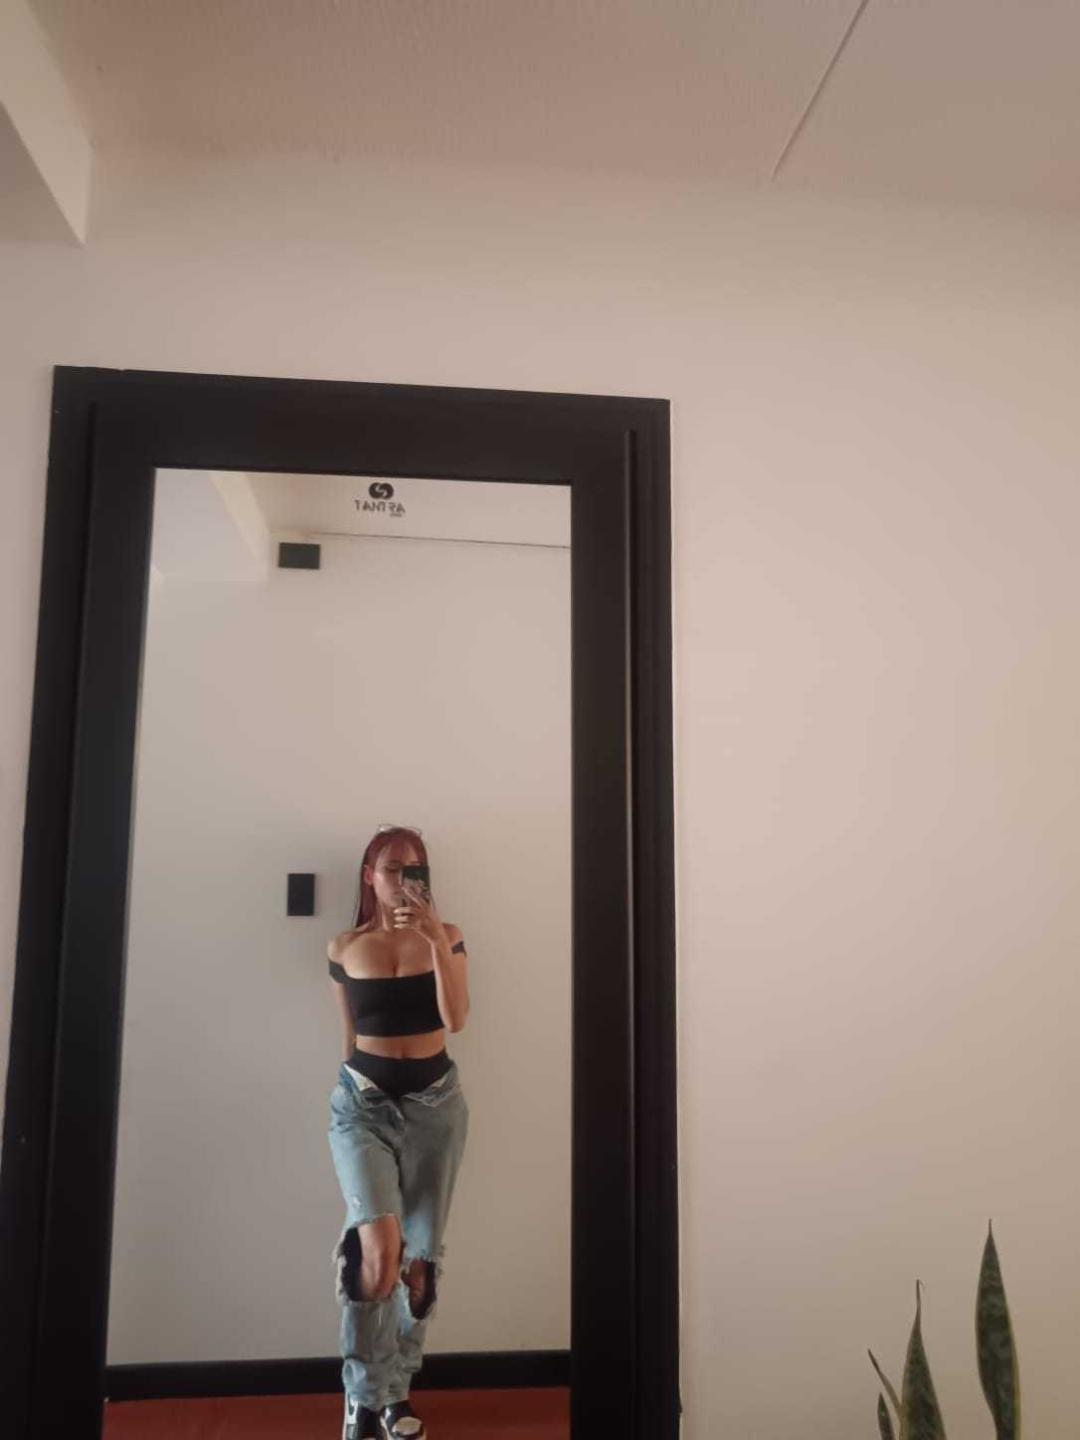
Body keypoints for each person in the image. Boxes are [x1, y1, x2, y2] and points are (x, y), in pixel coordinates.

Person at [327, 825, 470, 1440]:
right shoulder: (344, 947)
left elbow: (456, 1019)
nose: (402, 880)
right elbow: (349, 1037)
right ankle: (363, 1399)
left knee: (418, 1266)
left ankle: (396, 1392)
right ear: (369, 875)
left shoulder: (448, 935)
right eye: (391, 868)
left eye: (415, 869)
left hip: (435, 1108)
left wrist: (434, 939)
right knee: (378, 1251)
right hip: (363, 1105)